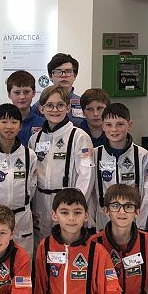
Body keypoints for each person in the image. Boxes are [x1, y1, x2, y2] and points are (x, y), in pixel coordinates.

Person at [29, 85, 94, 239]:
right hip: (40, 203)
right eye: (49, 105)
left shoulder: (79, 137)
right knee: (43, 245)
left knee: (68, 243)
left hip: (67, 204)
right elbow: (31, 176)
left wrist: (75, 207)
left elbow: (87, 175)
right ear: (41, 109)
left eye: (60, 105)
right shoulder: (35, 139)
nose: (55, 110)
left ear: (68, 108)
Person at [0, 104, 38, 254]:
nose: (9, 126)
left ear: (20, 126)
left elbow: (32, 186)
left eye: (14, 122)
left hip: (21, 217)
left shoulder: (29, 155)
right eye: (4, 122)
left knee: (23, 260)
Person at [91, 102, 148, 229]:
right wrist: (92, 223)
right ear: (103, 126)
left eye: (120, 124)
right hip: (103, 220)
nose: (114, 129)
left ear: (129, 125)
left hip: (133, 221)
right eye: (109, 125)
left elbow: (147, 192)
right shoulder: (95, 154)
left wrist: (140, 225)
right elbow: (91, 193)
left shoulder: (142, 155)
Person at [0, 70, 44, 147]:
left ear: (33, 93)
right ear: (9, 94)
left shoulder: (43, 124)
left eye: (26, 92)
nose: (22, 97)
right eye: (17, 92)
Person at [46, 53, 84, 122]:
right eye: (58, 72)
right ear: (50, 76)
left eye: (68, 71)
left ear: (75, 75)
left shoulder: (83, 104)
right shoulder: (41, 105)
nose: (63, 75)